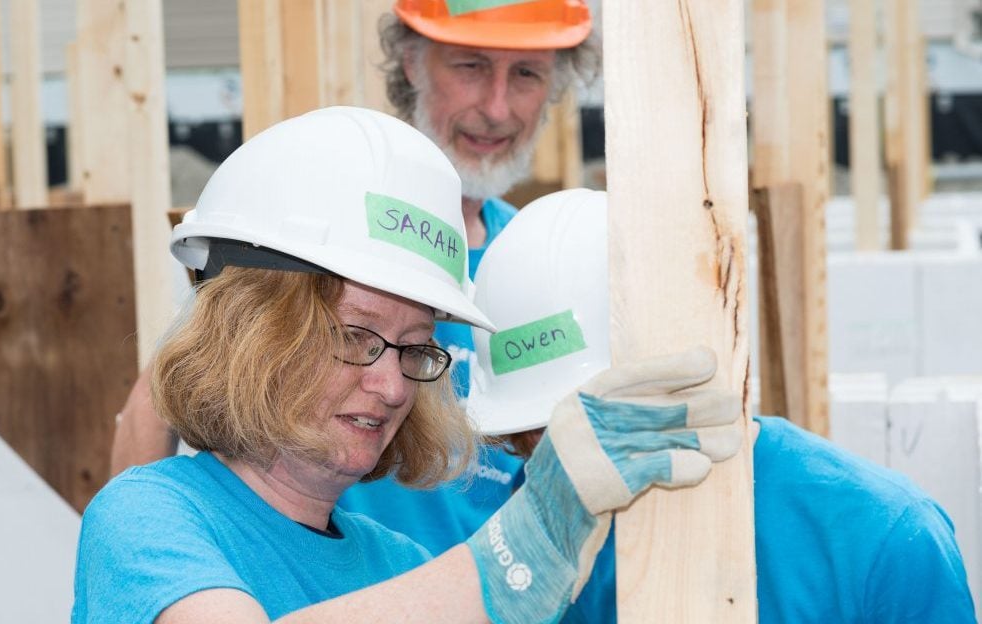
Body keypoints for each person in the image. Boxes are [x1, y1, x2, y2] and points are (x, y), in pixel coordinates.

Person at [73, 106, 743, 623]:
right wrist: (525, 544)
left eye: (417, 348)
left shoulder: (400, 566)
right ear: (254, 331)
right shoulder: (149, 518)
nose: (393, 385)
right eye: (358, 337)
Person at [110, 0, 602, 557]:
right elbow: (158, 410)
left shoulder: (539, 268)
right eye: (470, 66)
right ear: (412, 61)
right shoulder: (305, 228)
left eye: (526, 74)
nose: (495, 107)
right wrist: (138, 551)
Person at [466, 188, 978, 623]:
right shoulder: (535, 542)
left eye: (583, 424)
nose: (558, 460)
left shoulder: (883, 540)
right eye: (529, 437)